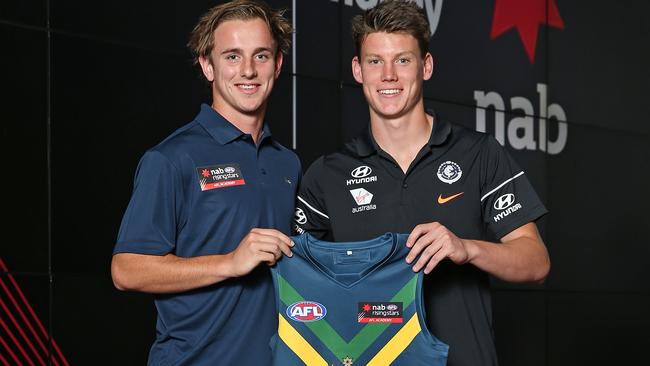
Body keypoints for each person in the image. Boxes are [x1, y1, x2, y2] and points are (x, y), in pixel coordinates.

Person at [294, 1, 550, 365]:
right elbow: (302, 289)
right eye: (375, 61)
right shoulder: (326, 175)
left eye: (402, 60)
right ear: (358, 70)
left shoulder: (478, 153)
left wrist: (466, 249)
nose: (388, 76)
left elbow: (536, 262)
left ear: (425, 66)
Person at [111, 1, 299, 365]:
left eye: (261, 56)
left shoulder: (286, 162)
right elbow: (126, 269)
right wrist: (230, 262)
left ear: (277, 65)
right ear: (207, 66)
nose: (248, 70)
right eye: (232, 56)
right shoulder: (171, 158)